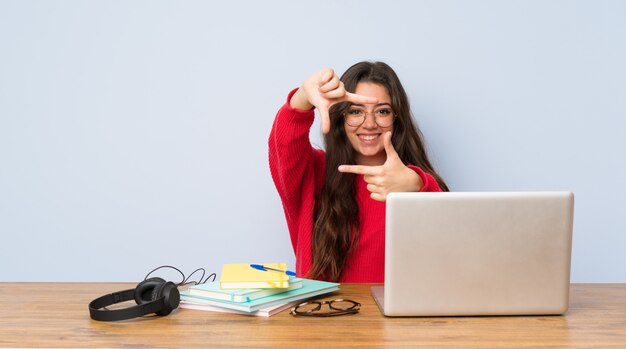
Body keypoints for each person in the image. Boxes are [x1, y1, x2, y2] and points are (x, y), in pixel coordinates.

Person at [269, 61, 448, 283]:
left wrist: (418, 184)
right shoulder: (315, 173)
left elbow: (452, 249)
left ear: (397, 119)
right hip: (325, 315)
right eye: (356, 111)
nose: (370, 123)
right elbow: (284, 144)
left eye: (383, 111)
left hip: (401, 316)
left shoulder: (417, 183)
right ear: (341, 118)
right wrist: (304, 95)